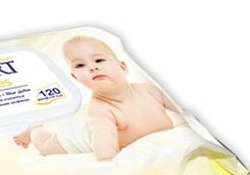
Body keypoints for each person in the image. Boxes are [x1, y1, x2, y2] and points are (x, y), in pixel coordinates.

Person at [14, 36, 183, 160]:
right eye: (80, 65)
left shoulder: (150, 91)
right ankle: (32, 129)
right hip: (77, 134)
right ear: (75, 78)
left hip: (84, 117)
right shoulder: (102, 110)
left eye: (99, 60)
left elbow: (183, 111)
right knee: (46, 146)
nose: (92, 67)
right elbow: (105, 152)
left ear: (122, 67)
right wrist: (109, 163)